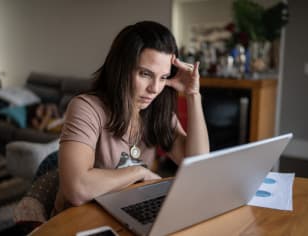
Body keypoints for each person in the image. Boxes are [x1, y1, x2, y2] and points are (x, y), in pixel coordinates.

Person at [53, 21, 209, 214]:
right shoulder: (87, 108)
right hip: (80, 218)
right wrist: (138, 172)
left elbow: (198, 166)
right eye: (145, 74)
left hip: (129, 210)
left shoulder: (158, 114)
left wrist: (193, 95)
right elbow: (76, 189)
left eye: (163, 78)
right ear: (121, 68)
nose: (154, 89)